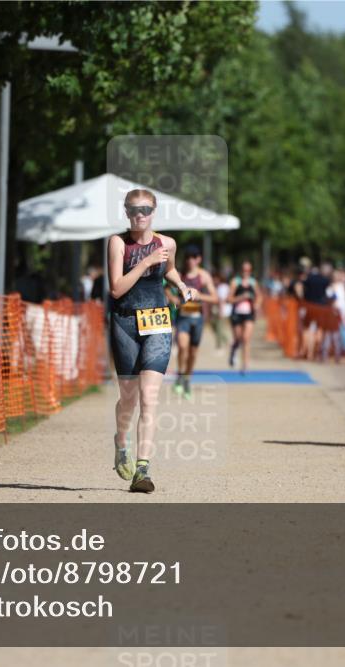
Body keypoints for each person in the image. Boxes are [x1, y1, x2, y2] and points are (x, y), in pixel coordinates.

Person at [108, 188, 197, 493]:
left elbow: (169, 269)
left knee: (149, 397)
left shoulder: (167, 243)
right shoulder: (118, 243)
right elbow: (117, 288)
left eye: (145, 209)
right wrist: (145, 264)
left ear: (154, 211)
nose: (140, 214)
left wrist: (183, 286)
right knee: (129, 398)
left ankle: (142, 469)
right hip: (125, 323)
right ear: (126, 212)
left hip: (158, 321)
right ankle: (121, 441)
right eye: (134, 209)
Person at [174, 245, 218, 397]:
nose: (190, 260)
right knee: (182, 346)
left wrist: (200, 296)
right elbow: (166, 288)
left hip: (197, 319)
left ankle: (187, 379)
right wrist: (173, 298)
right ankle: (180, 374)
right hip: (183, 317)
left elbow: (215, 298)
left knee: (193, 354)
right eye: (187, 257)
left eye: (193, 257)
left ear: (198, 259)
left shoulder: (204, 276)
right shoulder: (180, 274)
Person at [228, 260, 262, 374]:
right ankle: (234, 349)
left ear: (250, 271)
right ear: (240, 270)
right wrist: (241, 297)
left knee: (246, 339)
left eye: (248, 270)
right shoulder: (235, 282)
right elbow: (229, 299)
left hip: (249, 314)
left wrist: (257, 304)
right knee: (238, 338)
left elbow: (259, 296)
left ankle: (245, 365)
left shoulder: (253, 282)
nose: (245, 272)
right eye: (244, 270)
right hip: (237, 313)